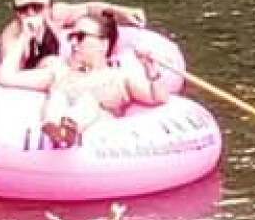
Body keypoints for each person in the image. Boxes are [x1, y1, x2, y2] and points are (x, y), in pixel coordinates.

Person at [39, 12, 170, 148]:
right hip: (58, 118)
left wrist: (149, 66)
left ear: (104, 44)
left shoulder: (119, 77)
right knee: (57, 97)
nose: (72, 42)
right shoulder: (59, 71)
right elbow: (15, 79)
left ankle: (69, 127)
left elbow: (160, 98)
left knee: (89, 102)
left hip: (98, 131)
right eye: (71, 36)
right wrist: (23, 34)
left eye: (80, 37)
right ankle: (53, 125)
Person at [0, 0, 147, 91]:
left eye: (36, 7)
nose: (30, 13)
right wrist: (25, 36)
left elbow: (89, 8)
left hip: (60, 74)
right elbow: (8, 76)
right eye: (23, 8)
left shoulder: (56, 15)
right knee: (53, 63)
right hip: (36, 81)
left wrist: (121, 12)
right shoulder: (11, 37)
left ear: (49, 5)